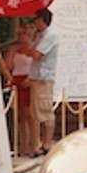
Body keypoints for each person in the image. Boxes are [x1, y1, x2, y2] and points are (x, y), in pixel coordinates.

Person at [4, 21, 39, 156]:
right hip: (16, 79)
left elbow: (38, 65)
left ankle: (33, 145)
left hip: (28, 80)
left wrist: (31, 79)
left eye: (21, 34)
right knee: (20, 117)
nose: (19, 37)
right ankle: (22, 146)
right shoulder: (14, 49)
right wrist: (11, 53)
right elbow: (8, 66)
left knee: (30, 115)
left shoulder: (34, 49)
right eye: (17, 34)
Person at [31, 8, 60, 149]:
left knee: (45, 111)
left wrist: (28, 51)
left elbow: (37, 54)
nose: (33, 22)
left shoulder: (50, 36)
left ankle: (47, 144)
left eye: (35, 19)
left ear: (41, 20)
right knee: (36, 112)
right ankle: (38, 144)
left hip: (44, 78)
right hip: (36, 78)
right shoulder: (39, 35)